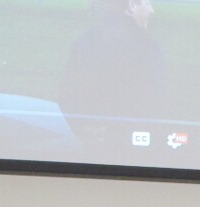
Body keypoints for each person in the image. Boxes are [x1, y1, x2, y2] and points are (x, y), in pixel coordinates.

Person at [59, 0, 166, 156]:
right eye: (147, 3)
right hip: (136, 153)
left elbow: (67, 94)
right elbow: (157, 99)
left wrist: (83, 127)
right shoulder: (149, 47)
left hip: (93, 149)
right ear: (131, 5)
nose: (152, 10)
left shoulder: (85, 42)